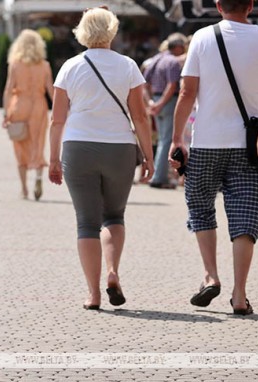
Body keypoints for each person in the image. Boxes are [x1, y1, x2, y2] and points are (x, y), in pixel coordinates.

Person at [48, 7, 154, 310]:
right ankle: (112, 272)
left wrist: (53, 159)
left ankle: (93, 294)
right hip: (119, 147)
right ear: (112, 30)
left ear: (82, 30)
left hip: (78, 147)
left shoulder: (69, 66)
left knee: (86, 223)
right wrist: (147, 156)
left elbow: (57, 120)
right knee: (114, 216)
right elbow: (141, 118)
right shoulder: (128, 66)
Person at [170, 0, 258, 316]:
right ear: (250, 6)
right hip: (250, 145)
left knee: (200, 204)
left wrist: (177, 138)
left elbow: (187, 93)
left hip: (207, 141)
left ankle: (210, 275)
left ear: (218, 5)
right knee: (246, 216)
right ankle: (239, 294)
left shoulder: (203, 38)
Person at [3, 29, 55, 201]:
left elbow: (9, 90)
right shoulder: (45, 65)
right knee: (38, 144)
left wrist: (6, 113)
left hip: (19, 105)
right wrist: (58, 110)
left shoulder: (15, 64)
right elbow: (50, 90)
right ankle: (39, 177)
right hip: (38, 106)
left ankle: (24, 189)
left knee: (20, 147)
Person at [143, 33, 186, 189]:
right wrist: (160, 104)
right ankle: (159, 177)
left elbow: (145, 84)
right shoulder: (172, 61)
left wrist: (151, 102)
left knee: (162, 139)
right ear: (178, 47)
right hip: (167, 102)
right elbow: (172, 85)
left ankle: (158, 175)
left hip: (156, 100)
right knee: (166, 140)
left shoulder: (155, 59)